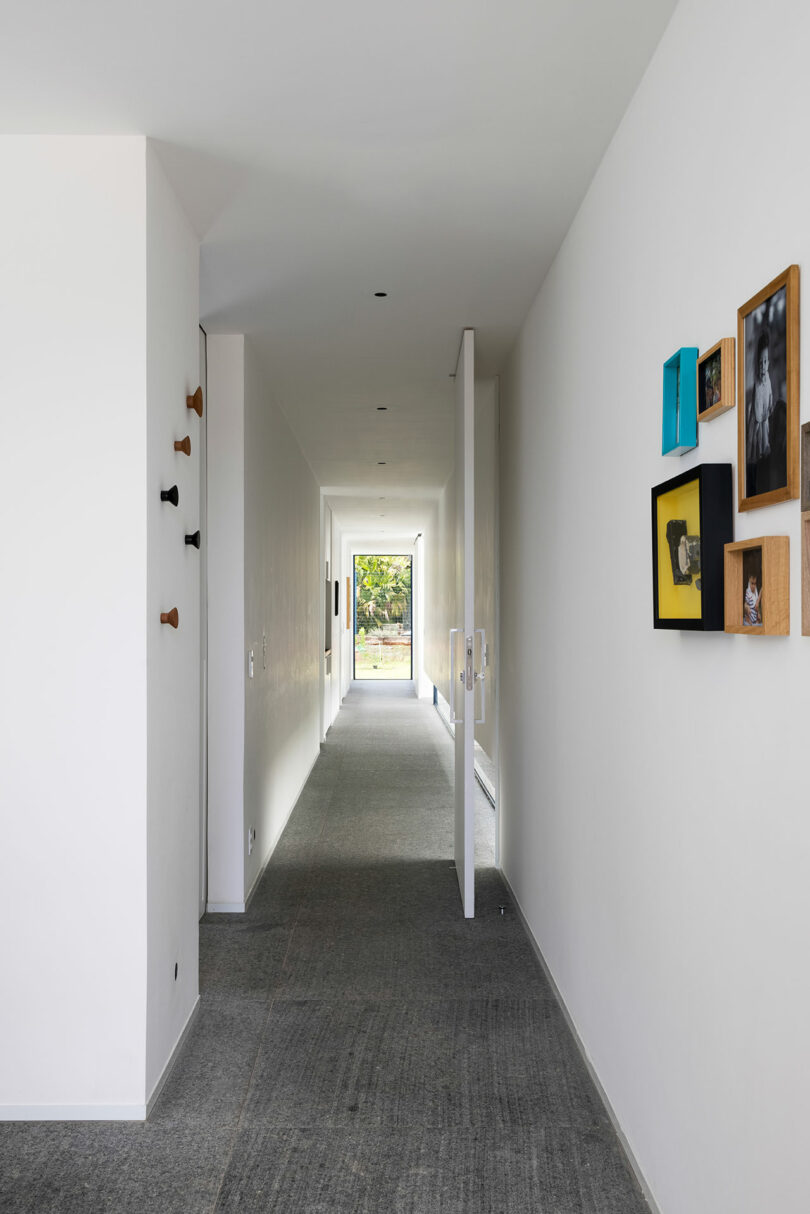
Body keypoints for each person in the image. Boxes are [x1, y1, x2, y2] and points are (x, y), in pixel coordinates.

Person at [747, 330, 773, 464]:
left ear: (768, 362)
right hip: (756, 417)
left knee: (765, 435)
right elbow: (756, 404)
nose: (763, 366)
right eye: (760, 363)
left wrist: (770, 405)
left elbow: (770, 394)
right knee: (753, 437)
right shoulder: (757, 382)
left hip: (765, 416)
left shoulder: (768, 379)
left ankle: (765, 451)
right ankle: (753, 456)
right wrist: (759, 417)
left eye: (765, 362)